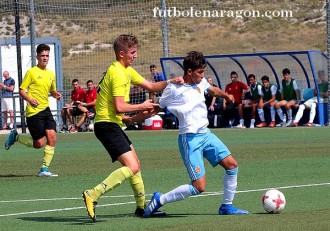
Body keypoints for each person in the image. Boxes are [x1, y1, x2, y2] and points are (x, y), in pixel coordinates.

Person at [81, 34, 183, 222]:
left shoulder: (126, 70)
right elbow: (119, 106)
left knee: (135, 166)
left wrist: (171, 81)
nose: (135, 56)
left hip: (112, 123)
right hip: (106, 125)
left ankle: (141, 208)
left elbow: (151, 85)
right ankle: (93, 194)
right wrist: (141, 107)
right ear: (122, 54)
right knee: (132, 166)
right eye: (132, 52)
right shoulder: (118, 73)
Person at [143, 51, 248, 218]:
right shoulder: (173, 89)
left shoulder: (201, 82)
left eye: (204, 71)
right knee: (199, 187)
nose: (203, 75)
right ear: (189, 71)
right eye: (200, 72)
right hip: (189, 139)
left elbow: (212, 90)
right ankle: (160, 199)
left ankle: (227, 206)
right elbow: (157, 107)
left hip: (206, 135)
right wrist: (132, 117)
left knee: (232, 166)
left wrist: (226, 95)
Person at [4, 44, 62, 177]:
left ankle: (44, 169)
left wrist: (55, 94)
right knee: (39, 144)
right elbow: (21, 90)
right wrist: (30, 100)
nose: (45, 58)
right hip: (33, 113)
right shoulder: (31, 72)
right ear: (37, 56)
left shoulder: (51, 74)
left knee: (52, 137)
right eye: (42, 55)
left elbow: (52, 90)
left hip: (46, 110)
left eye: (47, 55)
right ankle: (16, 137)